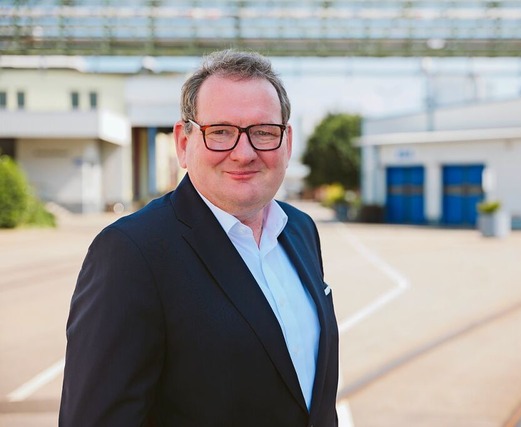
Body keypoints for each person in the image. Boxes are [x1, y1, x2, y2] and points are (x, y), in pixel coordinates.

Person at [59, 49, 339, 427]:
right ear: (183, 142)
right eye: (220, 132)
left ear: (286, 142)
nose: (244, 153)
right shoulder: (131, 253)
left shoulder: (301, 230)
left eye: (263, 132)